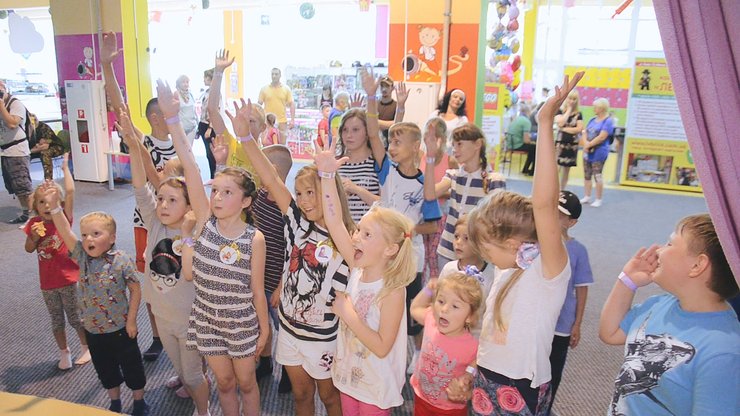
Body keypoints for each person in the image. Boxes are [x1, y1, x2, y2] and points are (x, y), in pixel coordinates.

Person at [447, 72, 584, 415]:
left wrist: (545, 122)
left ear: (509, 242)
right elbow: (492, 333)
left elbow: (544, 204)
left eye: (486, 247)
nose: (483, 254)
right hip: (488, 376)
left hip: (521, 384)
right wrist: (472, 373)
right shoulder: (507, 267)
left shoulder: (547, 269)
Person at [233, 97, 354, 416]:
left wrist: (325, 175)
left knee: (330, 397)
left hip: (324, 336)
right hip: (289, 328)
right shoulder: (297, 221)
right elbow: (271, 178)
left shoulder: (344, 237)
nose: (304, 200)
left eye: (311, 192)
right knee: (301, 395)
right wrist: (245, 137)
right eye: (300, 193)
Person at [157, 80, 270, 416]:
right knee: (224, 383)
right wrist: (172, 120)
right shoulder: (205, 222)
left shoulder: (254, 238)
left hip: (241, 322)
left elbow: (257, 291)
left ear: (246, 201)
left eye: (227, 192)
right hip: (207, 318)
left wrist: (264, 329)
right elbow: (190, 166)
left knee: (247, 383)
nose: (217, 198)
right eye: (215, 191)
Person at [115, 110, 211, 416]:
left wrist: (188, 231)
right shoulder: (154, 221)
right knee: (182, 371)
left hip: (189, 320)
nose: (164, 205)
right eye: (161, 199)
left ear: (189, 205)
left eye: (173, 200)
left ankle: (204, 410)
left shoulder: (197, 228)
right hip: (162, 316)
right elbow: (140, 187)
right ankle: (194, 387)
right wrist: (133, 146)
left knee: (193, 376)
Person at [599, 214, 739, 415]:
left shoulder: (723, 352)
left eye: (669, 243)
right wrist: (627, 281)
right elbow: (610, 332)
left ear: (697, 266)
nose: (658, 250)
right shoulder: (658, 305)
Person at [315, 137, 417, 415]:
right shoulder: (357, 268)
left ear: (390, 249)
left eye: (367, 234)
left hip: (375, 386)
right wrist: (327, 176)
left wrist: (348, 314)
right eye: (359, 230)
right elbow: (334, 221)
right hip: (350, 377)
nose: (356, 236)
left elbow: (382, 347)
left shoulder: (392, 290)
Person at [362, 67, 442, 376]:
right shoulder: (387, 170)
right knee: (380, 304)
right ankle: (382, 351)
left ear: (415, 149)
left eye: (398, 142)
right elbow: (373, 133)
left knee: (411, 313)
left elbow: (432, 224)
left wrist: (407, 231)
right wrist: (371, 96)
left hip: (410, 258)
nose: (392, 146)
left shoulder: (424, 183)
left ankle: (419, 353)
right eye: (391, 141)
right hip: (381, 253)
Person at [101, 31, 175, 363]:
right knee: (150, 277)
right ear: (156, 117)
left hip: (176, 221)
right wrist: (107, 66)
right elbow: (120, 108)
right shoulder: (144, 141)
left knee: (177, 273)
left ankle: (177, 328)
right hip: (146, 220)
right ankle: (157, 336)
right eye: (168, 110)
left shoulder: (182, 145)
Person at [44, 193, 148, 415]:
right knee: (105, 369)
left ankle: (139, 401)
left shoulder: (121, 259)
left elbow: (135, 289)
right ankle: (115, 402)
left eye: (96, 234)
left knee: (132, 367)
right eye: (84, 235)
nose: (88, 239)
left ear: (112, 238)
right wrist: (54, 208)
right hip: (93, 330)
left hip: (121, 329)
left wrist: (131, 321)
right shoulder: (82, 256)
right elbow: (65, 231)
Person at [23, 153, 91, 370]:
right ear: (35, 205)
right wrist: (34, 237)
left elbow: (70, 191)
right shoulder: (34, 223)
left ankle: (86, 347)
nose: (46, 206)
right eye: (41, 202)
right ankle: (64, 352)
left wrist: (65, 168)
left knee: (76, 317)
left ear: (58, 203)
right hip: (48, 283)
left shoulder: (63, 219)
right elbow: (28, 249)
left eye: (49, 201)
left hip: (69, 279)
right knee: (56, 320)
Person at [435, 123, 506, 272]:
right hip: (448, 248)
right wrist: (430, 158)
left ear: (477, 144)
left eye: (460, 144)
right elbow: (430, 194)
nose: (455, 149)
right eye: (453, 145)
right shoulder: (453, 175)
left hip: (477, 254)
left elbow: (497, 220)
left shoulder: (494, 180)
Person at [410, 272, 483, 416]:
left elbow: (479, 363)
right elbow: (414, 308)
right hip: (421, 397)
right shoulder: (431, 319)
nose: (444, 309)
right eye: (441, 301)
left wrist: (468, 376)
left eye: (455, 306)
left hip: (450, 409)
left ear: (469, 317)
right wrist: (428, 290)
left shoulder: (472, 345)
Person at [252, 144, 293, 393]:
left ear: (273, 170)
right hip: (257, 279)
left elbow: (292, 251)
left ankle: (289, 371)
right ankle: (265, 362)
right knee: (261, 323)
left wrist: (280, 286)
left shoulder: (287, 207)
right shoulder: (257, 196)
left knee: (283, 328)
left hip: (277, 282)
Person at [548, 190, 593, 410]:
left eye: (560, 214)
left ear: (571, 222)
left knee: (553, 371)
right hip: (538, 319)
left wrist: (577, 323)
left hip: (561, 324)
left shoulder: (578, 251)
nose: (552, 216)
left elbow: (582, 288)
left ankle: (546, 408)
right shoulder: (537, 242)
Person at [206, 50, 263, 188]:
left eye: (251, 121)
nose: (245, 124)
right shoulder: (230, 143)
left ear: (263, 127)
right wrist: (218, 73)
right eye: (242, 119)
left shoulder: (265, 156)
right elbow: (212, 110)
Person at [438, 214, 495, 337]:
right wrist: (428, 291)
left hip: (476, 338)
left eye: (466, 238)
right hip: (448, 335)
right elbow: (436, 297)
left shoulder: (491, 275)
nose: (458, 243)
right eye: (456, 237)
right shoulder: (449, 268)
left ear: (480, 243)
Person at [419, 117, 455, 284]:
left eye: (435, 137)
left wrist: (437, 192)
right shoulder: (421, 156)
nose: (432, 141)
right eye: (428, 136)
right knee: (423, 254)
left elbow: (456, 188)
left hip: (441, 214)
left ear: (443, 138)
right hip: (421, 213)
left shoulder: (450, 161)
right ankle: (424, 289)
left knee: (434, 255)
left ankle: (436, 288)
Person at [335, 107, 381, 223]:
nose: (349, 135)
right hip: (342, 230)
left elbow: (388, 205)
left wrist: (357, 190)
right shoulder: (337, 163)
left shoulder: (378, 162)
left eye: (355, 130)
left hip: (372, 230)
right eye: (345, 130)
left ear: (367, 132)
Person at [0, 80, 33, 224]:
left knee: (23, 185)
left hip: (17, 151)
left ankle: (33, 216)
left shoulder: (15, 104)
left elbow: (12, 123)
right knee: (15, 186)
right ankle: (26, 213)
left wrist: (1, 106)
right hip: (5, 151)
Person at [580, 97, 614, 207]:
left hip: (599, 152)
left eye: (596, 107)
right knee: (587, 174)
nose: (593, 109)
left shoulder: (608, 121)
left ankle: (598, 198)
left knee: (597, 174)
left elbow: (602, 137)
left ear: (602, 108)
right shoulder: (592, 120)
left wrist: (589, 144)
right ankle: (587, 196)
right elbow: (584, 132)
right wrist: (585, 143)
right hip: (587, 151)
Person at [554, 91, 583, 189]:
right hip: (560, 143)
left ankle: (562, 189)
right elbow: (561, 123)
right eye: (570, 98)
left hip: (572, 144)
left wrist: (564, 129)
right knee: (556, 167)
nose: (572, 101)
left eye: (574, 99)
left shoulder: (579, 114)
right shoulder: (559, 111)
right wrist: (569, 110)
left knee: (566, 169)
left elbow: (579, 129)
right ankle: (553, 188)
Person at [258, 67, 295, 142]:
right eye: (272, 74)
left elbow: (292, 104)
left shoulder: (286, 89)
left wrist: (292, 120)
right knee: (266, 145)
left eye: (276, 74)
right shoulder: (264, 89)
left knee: (281, 146)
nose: (274, 76)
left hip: (282, 122)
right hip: (267, 123)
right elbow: (259, 105)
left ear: (280, 75)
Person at [29, 115, 66, 181]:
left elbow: (45, 147)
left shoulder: (43, 127)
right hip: (34, 150)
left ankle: (48, 180)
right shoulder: (24, 129)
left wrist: (29, 151)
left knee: (45, 153)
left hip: (54, 146)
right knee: (21, 157)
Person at [197, 68, 217, 180]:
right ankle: (212, 175)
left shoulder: (214, 93)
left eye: (205, 77)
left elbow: (214, 111)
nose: (203, 80)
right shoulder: (206, 92)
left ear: (209, 78)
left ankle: (214, 176)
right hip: (203, 124)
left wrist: (210, 128)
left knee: (211, 153)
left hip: (209, 125)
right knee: (208, 153)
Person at [505, 104, 536, 176]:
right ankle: (532, 171)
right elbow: (526, 140)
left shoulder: (516, 119)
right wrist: (532, 140)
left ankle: (526, 169)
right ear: (528, 112)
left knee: (532, 149)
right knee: (535, 149)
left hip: (510, 144)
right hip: (517, 145)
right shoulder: (526, 121)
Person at [377, 75, 405, 142]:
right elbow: (370, 123)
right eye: (382, 86)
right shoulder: (374, 105)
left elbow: (397, 124)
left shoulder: (397, 105)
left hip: (390, 141)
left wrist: (377, 122)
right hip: (375, 141)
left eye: (387, 86)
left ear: (392, 88)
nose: (384, 89)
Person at [176, 75, 199, 146]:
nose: (186, 84)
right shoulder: (176, 95)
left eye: (187, 82)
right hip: (181, 128)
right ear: (179, 83)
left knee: (189, 148)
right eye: (183, 82)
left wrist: (198, 124)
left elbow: (194, 111)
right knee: (181, 148)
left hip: (192, 126)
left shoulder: (190, 94)